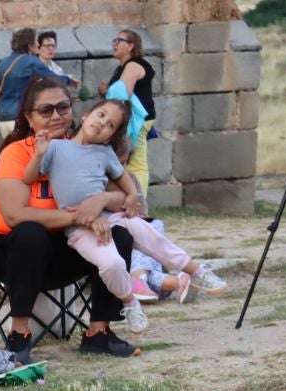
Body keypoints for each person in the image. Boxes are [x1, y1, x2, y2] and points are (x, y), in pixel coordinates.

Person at [25, 99, 227, 334]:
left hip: (111, 216)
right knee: (112, 263)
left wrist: (132, 195)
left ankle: (197, 272)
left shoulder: (104, 152)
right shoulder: (57, 148)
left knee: (150, 234)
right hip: (79, 227)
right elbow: (29, 178)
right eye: (100, 115)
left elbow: (122, 178)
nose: (102, 124)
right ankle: (130, 302)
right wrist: (38, 155)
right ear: (85, 116)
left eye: (110, 125)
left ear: (110, 137)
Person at [0, 78, 142, 362]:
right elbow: (14, 214)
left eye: (63, 107)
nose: (57, 116)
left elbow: (127, 199)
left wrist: (101, 201)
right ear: (29, 118)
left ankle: (99, 332)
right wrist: (80, 216)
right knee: (29, 232)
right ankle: (19, 335)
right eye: (46, 110)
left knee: (118, 233)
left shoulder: (87, 148)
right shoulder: (18, 152)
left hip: (68, 248)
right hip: (12, 253)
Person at [100, 30, 158, 195]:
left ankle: (139, 201)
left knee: (136, 162)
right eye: (114, 40)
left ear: (131, 45)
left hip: (135, 121)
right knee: (129, 161)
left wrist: (107, 92)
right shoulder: (123, 67)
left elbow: (122, 94)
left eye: (119, 40)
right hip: (130, 119)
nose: (114, 44)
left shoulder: (133, 65)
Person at [0, 28, 64, 131]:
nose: (38, 45)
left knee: (10, 147)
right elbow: (54, 79)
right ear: (29, 45)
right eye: (35, 41)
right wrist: (69, 79)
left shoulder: (4, 63)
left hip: (4, 118)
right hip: (21, 118)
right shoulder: (32, 62)